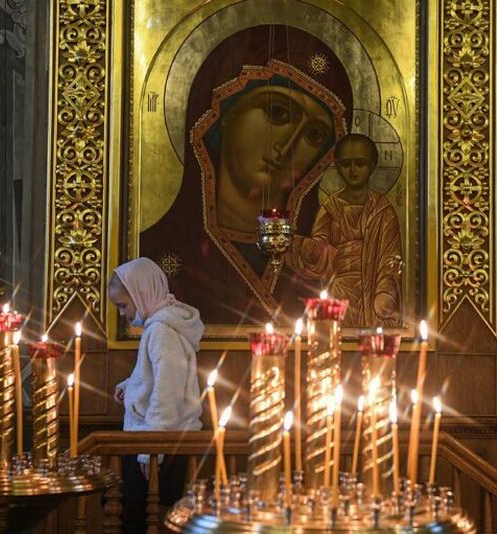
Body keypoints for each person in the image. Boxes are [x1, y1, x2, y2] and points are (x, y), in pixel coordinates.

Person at [141, 25, 354, 325]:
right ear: (223, 113)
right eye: (278, 112)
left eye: (314, 135)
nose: (288, 146)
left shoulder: (322, 259)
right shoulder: (156, 255)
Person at [110, 257, 203, 534]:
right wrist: (130, 385)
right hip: (151, 439)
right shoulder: (159, 326)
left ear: (142, 293)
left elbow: (168, 388)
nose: (124, 314)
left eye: (124, 306)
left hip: (157, 441)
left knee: (138, 518)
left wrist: (152, 449)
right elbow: (154, 375)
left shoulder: (162, 330)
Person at [288, 134, 402, 326]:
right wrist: (291, 242)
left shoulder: (383, 211)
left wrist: (385, 291)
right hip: (339, 292)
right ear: (338, 166)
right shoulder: (331, 209)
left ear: (372, 166)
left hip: (373, 291)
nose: (352, 170)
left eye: (360, 163)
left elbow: (390, 259)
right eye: (346, 163)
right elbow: (319, 252)